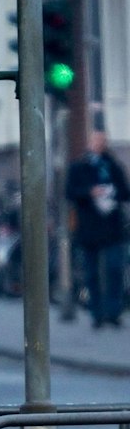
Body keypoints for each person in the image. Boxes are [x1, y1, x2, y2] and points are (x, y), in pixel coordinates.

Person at [65, 130, 128, 328]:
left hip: (112, 227)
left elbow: (125, 192)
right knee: (91, 272)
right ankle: (96, 313)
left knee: (114, 268)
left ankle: (113, 311)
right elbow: (70, 192)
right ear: (90, 143)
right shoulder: (79, 167)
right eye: (96, 141)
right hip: (89, 227)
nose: (100, 144)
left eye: (103, 141)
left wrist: (112, 193)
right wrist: (90, 192)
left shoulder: (113, 166)